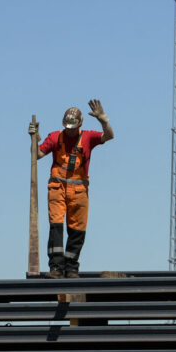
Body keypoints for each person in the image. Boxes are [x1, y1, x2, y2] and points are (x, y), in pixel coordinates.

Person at [29, 100, 114, 278]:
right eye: (67, 127)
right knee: (56, 227)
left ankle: (71, 268)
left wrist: (103, 120)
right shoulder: (55, 137)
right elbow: (36, 155)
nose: (70, 130)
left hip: (79, 191)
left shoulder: (88, 137)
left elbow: (109, 136)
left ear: (80, 124)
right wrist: (35, 138)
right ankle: (56, 268)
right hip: (57, 188)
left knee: (77, 230)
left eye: (73, 127)